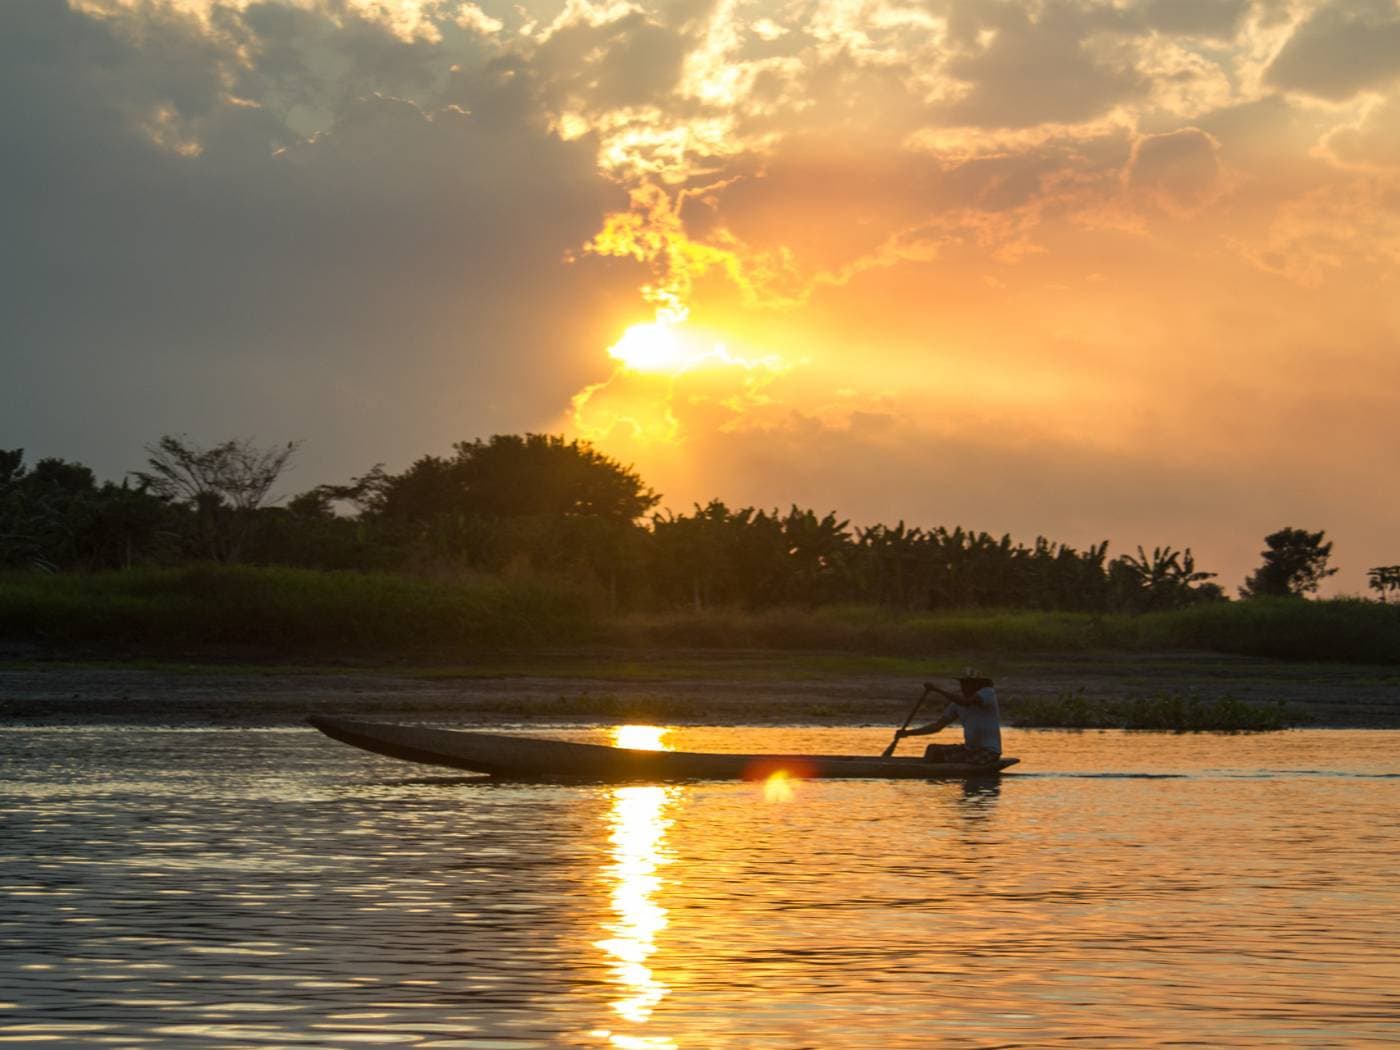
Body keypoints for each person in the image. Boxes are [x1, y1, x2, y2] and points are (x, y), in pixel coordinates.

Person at [895, 676, 1002, 766]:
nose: (964, 687)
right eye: (963, 683)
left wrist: (937, 690)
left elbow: (965, 702)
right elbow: (937, 726)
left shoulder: (987, 693)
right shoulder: (956, 705)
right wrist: (908, 733)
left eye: (968, 684)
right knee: (933, 750)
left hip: (989, 751)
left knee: (968, 762)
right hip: (969, 749)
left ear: (977, 685)